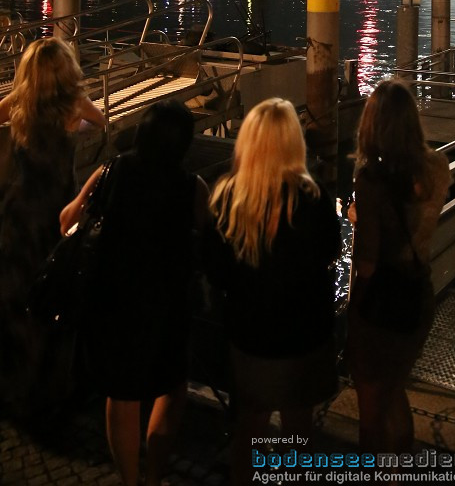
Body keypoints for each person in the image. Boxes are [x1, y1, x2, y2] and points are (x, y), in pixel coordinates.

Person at [61, 99, 209, 486]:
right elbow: (211, 245)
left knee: (122, 394)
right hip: (167, 306)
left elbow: (66, 221)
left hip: (113, 302)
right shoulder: (192, 187)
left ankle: (130, 479)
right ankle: (155, 474)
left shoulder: (113, 171)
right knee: (172, 387)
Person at [207, 97, 340, 486]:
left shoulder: (226, 198)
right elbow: (330, 252)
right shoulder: (314, 199)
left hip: (249, 333)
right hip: (304, 333)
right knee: (300, 427)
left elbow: (214, 269)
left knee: (250, 425)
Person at [0, 36, 106, 418]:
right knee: (52, 296)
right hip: (56, 210)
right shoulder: (74, 105)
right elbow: (101, 121)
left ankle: (12, 383)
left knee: (14, 295)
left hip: (17, 209)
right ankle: (48, 387)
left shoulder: (19, 103)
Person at [346, 79, 450, 455]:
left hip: (381, 306)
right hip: (419, 293)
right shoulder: (438, 166)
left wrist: (361, 218)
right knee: (395, 390)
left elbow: (369, 265)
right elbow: (414, 212)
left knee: (372, 410)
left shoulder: (370, 180)